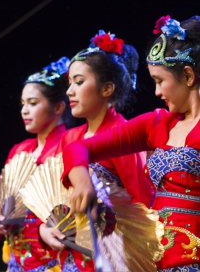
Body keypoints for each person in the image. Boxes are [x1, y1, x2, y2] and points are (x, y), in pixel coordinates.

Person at [61, 15, 200, 271]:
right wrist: (82, 182)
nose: (157, 92)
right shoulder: (156, 123)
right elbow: (78, 148)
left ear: (188, 76)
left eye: (160, 81)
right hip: (153, 260)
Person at [39, 30, 154, 271]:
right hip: (71, 257)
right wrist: (45, 229)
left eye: (79, 82)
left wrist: (105, 214)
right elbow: (58, 199)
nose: (70, 91)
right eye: (69, 83)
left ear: (107, 89)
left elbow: (142, 206)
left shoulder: (122, 137)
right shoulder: (70, 137)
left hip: (111, 258)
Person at [0, 57, 72, 271]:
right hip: (17, 258)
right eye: (23, 104)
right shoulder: (19, 149)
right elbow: (0, 195)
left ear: (58, 106)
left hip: (52, 258)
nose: (24, 110)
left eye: (33, 103)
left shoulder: (69, 144)